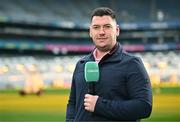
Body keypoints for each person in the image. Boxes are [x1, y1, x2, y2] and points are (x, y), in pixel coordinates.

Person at [66, 7, 152, 122]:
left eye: (107, 26)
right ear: (90, 32)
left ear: (117, 30)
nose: (101, 32)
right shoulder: (81, 64)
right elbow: (72, 103)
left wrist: (100, 105)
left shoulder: (132, 64)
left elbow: (144, 107)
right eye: (96, 27)